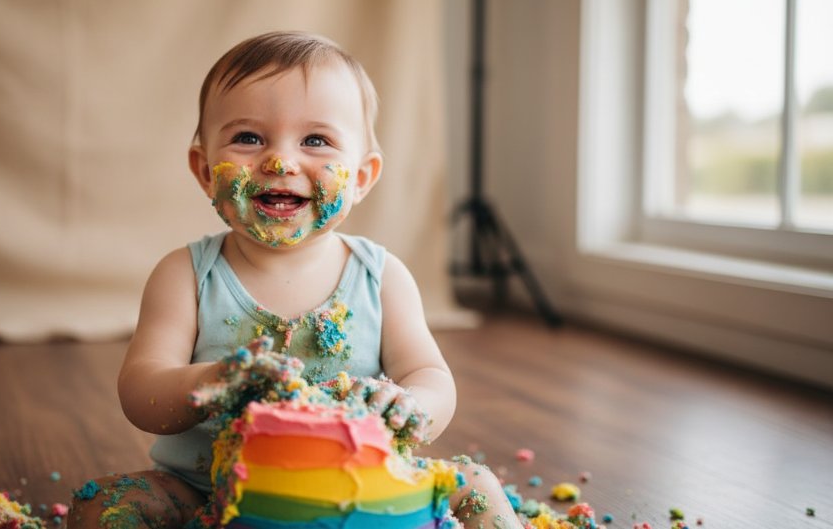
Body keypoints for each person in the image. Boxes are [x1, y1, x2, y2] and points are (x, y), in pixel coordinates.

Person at [68, 31, 524, 529]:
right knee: (104, 505)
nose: (280, 162)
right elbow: (141, 394)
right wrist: (211, 382)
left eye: (316, 141)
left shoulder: (382, 277)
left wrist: (409, 403)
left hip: (363, 493)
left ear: (361, 177)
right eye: (248, 138)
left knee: (476, 484)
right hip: (211, 495)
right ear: (203, 170)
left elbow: (433, 378)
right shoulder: (185, 275)